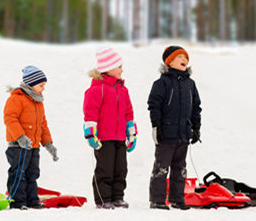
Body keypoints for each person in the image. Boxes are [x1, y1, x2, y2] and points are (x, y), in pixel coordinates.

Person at [147, 46, 202, 210]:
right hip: (166, 133)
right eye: (179, 57)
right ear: (169, 62)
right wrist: (156, 125)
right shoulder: (161, 83)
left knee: (180, 168)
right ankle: (157, 200)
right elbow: (154, 105)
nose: (184, 60)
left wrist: (196, 126)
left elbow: (196, 106)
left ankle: (177, 199)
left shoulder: (190, 84)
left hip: (183, 134)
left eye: (185, 57)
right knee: (161, 168)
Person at [83, 47, 136, 209]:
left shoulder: (123, 90)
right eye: (119, 67)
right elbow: (90, 114)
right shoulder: (96, 90)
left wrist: (132, 134)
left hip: (120, 137)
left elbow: (128, 113)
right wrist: (91, 135)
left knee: (121, 169)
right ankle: (102, 199)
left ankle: (117, 197)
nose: (122, 70)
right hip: (104, 138)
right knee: (105, 169)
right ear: (108, 69)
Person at [3, 66, 59, 210]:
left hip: (33, 146)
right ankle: (17, 202)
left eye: (44, 86)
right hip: (18, 146)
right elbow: (10, 119)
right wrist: (20, 137)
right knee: (18, 173)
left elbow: (43, 125)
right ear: (30, 84)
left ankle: (32, 200)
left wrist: (48, 143)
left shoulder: (38, 102)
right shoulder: (17, 99)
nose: (43, 89)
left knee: (32, 174)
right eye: (41, 85)